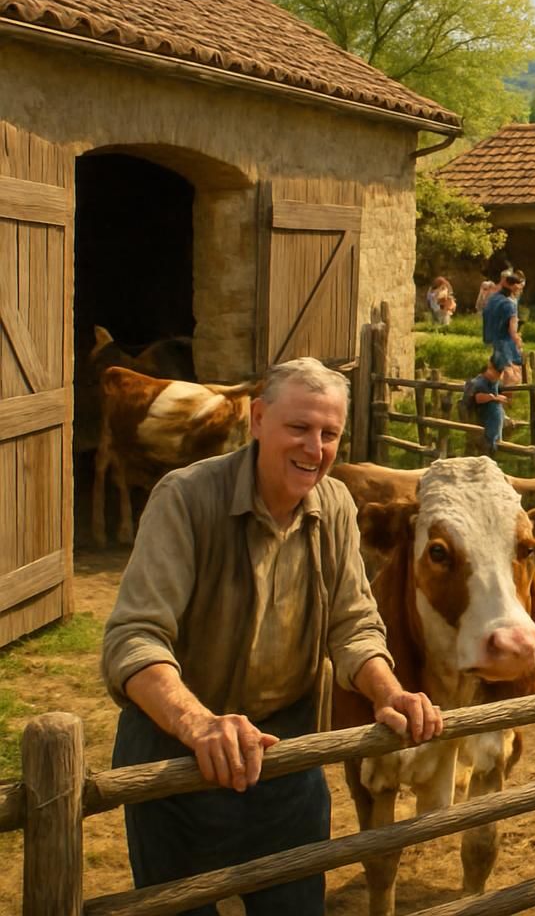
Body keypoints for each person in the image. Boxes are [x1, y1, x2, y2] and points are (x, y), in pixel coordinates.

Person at [100, 357, 442, 915]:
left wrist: (389, 692)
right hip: (176, 761)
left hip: (285, 758)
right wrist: (200, 724)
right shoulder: (185, 498)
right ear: (258, 420)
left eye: (329, 434)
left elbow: (353, 623)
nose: (315, 448)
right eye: (299, 428)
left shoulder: (333, 506)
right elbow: (134, 640)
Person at [463, 354, 513, 456]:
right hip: (481, 419)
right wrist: (493, 398)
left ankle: (494, 440)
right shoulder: (479, 382)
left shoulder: (494, 382)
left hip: (489, 419)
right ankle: (491, 442)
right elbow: (477, 398)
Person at [481, 268, 524, 378]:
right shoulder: (510, 304)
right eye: (520, 286)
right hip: (505, 344)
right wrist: (518, 342)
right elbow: (512, 331)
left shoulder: (493, 299)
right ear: (515, 287)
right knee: (511, 376)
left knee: (493, 374)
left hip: (491, 340)